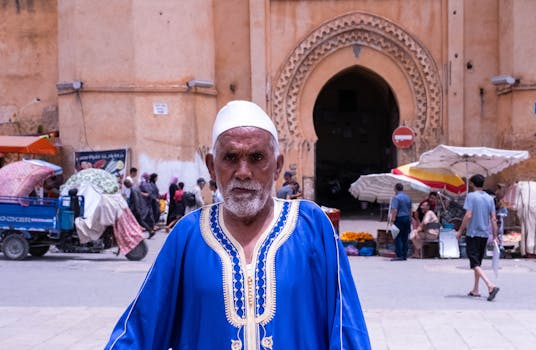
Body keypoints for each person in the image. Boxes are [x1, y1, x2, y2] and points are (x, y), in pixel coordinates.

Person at [105, 100, 370, 349]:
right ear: (211, 166)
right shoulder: (188, 236)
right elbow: (141, 328)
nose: (243, 172)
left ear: (277, 166)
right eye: (230, 158)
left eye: (256, 158)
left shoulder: (312, 228)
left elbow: (346, 331)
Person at [456, 174, 500, 301]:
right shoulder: (489, 198)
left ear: (473, 184)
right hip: (484, 234)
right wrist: (495, 235)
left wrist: (460, 230)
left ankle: (490, 286)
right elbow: (493, 218)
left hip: (473, 233)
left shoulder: (471, 196)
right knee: (478, 263)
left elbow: (468, 215)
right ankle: (475, 289)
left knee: (474, 262)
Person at [390, 183, 412, 261]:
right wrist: (410, 219)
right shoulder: (408, 198)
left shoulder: (396, 198)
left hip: (399, 218)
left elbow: (394, 210)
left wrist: (392, 220)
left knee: (397, 236)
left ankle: (399, 255)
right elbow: (410, 210)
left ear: (396, 189)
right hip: (407, 218)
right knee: (405, 237)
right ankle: (404, 255)